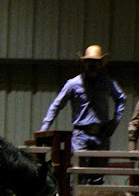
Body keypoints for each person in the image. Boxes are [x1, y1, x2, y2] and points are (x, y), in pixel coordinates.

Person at [40, 45, 126, 185]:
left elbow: (121, 98)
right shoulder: (73, 84)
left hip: (101, 134)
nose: (91, 64)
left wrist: (115, 122)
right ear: (84, 63)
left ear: (100, 64)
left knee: (97, 176)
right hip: (81, 134)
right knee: (78, 172)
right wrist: (44, 128)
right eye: (89, 61)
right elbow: (56, 105)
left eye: (94, 61)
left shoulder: (107, 83)